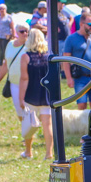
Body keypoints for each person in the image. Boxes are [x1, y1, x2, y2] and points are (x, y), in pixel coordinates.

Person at [0, 23, 32, 158]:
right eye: (22, 31)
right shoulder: (10, 45)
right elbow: (5, 64)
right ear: (16, 32)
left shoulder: (30, 46)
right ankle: (27, 135)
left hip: (28, 83)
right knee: (20, 112)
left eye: (27, 31)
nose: (25, 34)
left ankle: (29, 141)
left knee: (28, 111)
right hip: (14, 83)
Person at [18, 28, 53, 159]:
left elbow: (24, 78)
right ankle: (49, 153)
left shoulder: (25, 57)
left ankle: (28, 151)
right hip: (46, 94)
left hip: (31, 94)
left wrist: (21, 98)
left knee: (28, 123)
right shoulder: (49, 56)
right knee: (47, 125)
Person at [61, 13, 91, 111]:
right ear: (81, 24)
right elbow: (65, 60)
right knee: (82, 106)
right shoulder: (71, 39)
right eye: (89, 25)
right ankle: (82, 125)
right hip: (80, 78)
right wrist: (69, 78)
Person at [0, 3, 14, 72]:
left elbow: (12, 27)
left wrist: (13, 36)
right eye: (0, 9)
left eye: (3, 9)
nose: (2, 10)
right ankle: (1, 70)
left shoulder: (9, 17)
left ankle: (8, 69)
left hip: (6, 38)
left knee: (6, 53)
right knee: (0, 54)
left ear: (5, 9)